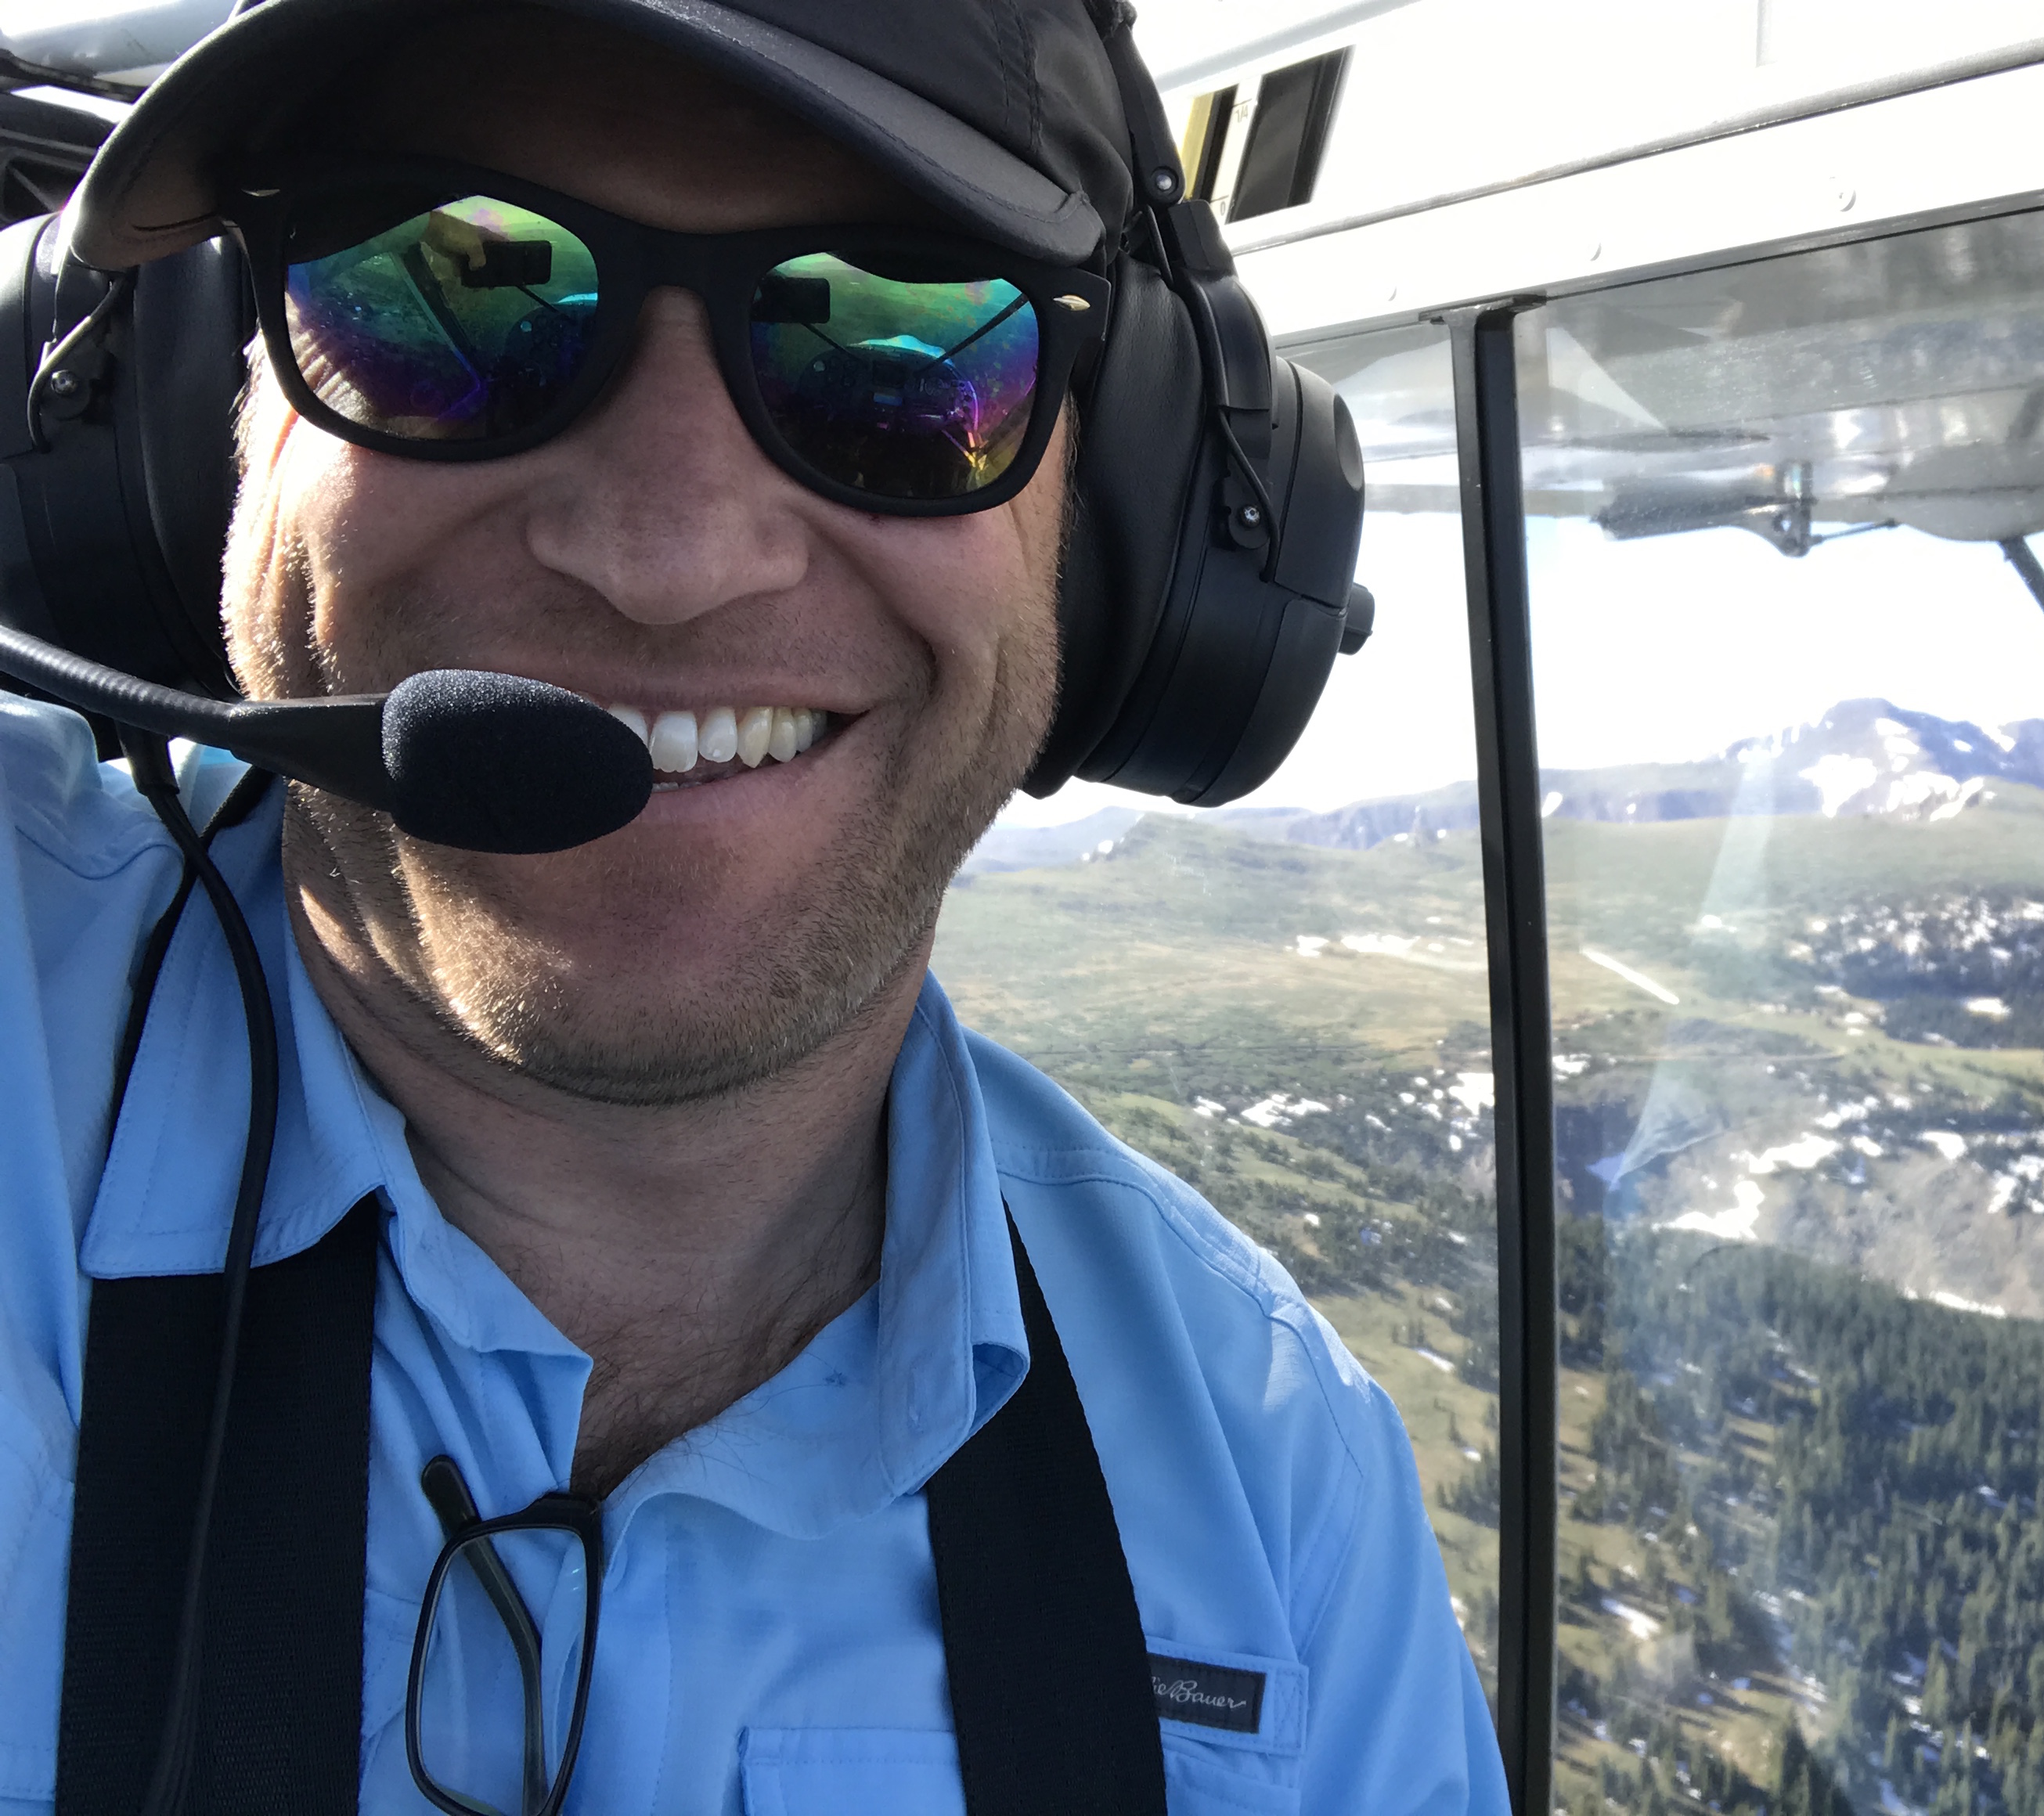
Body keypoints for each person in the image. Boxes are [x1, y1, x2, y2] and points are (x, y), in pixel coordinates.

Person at [0, 1, 1511, 1811]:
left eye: (895, 352)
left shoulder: (1277, 1494)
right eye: (438, 296)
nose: (667, 559)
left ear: (1117, 517)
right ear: (210, 418)